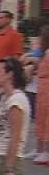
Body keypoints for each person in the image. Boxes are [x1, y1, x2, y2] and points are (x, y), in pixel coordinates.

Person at [0, 10, 24, 77]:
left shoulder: (15, 35)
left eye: (1, 18)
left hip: (3, 77)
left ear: (8, 20)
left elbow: (16, 57)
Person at [32, 27, 49, 164]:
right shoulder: (44, 53)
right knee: (40, 117)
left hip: (47, 86)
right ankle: (39, 149)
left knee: (46, 119)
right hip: (41, 85)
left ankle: (46, 151)